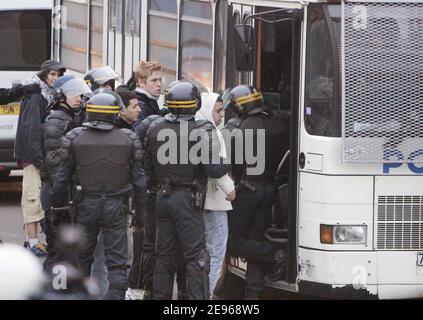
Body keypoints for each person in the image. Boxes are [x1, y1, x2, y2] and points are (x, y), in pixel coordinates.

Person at [51, 90, 147, 300]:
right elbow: (140, 182)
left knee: (82, 259)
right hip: (117, 206)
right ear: (115, 113)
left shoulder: (75, 137)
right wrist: (141, 214)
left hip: (85, 204)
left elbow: (61, 179)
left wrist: (56, 210)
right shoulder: (128, 138)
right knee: (117, 263)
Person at [144, 81, 231, 300]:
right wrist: (228, 161)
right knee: (196, 258)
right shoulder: (203, 129)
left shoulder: (155, 127)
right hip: (188, 199)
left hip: (162, 198)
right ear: (196, 103)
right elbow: (213, 169)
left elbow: (147, 168)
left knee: (164, 257)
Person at [223, 85, 289, 300]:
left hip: (247, 190)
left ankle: (274, 254)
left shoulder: (240, 130)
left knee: (234, 241)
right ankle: (253, 294)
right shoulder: (280, 123)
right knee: (255, 239)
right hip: (270, 189)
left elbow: (232, 164)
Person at [40, 75, 92, 272]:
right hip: (57, 194)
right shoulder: (56, 121)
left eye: (79, 93)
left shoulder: (70, 118)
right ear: (61, 96)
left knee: (67, 252)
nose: (78, 97)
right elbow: (55, 164)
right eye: (73, 94)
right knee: (57, 251)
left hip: (64, 193)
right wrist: (61, 199)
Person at [15, 59, 66, 256]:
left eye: (58, 75)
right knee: (32, 197)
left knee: (39, 198)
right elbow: (31, 131)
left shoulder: (48, 95)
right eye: (52, 74)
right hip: (32, 155)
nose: (55, 78)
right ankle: (32, 241)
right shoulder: (35, 96)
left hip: (40, 155)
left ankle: (35, 241)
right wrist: (38, 159)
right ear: (44, 75)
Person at [195, 92, 236, 299]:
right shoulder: (212, 132)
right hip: (215, 201)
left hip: (198, 202)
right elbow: (215, 166)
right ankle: (207, 294)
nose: (221, 116)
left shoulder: (193, 127)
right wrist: (230, 187)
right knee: (216, 251)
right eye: (217, 111)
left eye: (222, 111)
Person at [133, 60, 166, 127]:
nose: (159, 84)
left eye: (160, 80)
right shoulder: (140, 107)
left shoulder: (149, 100)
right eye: (154, 80)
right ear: (141, 82)